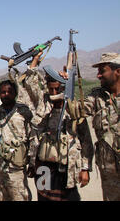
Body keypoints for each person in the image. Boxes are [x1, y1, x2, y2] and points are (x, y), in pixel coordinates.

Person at [23, 52, 93, 201]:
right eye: (51, 89)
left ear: (64, 89)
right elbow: (29, 82)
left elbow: (86, 141)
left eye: (58, 90)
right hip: (43, 164)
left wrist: (85, 169)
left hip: (66, 166)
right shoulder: (43, 103)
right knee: (43, 196)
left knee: (68, 197)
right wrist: (35, 59)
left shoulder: (74, 110)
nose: (54, 93)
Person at [71, 52, 119, 201]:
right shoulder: (97, 97)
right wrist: (64, 86)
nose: (98, 75)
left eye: (102, 70)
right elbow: (76, 111)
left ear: (117, 71)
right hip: (109, 172)